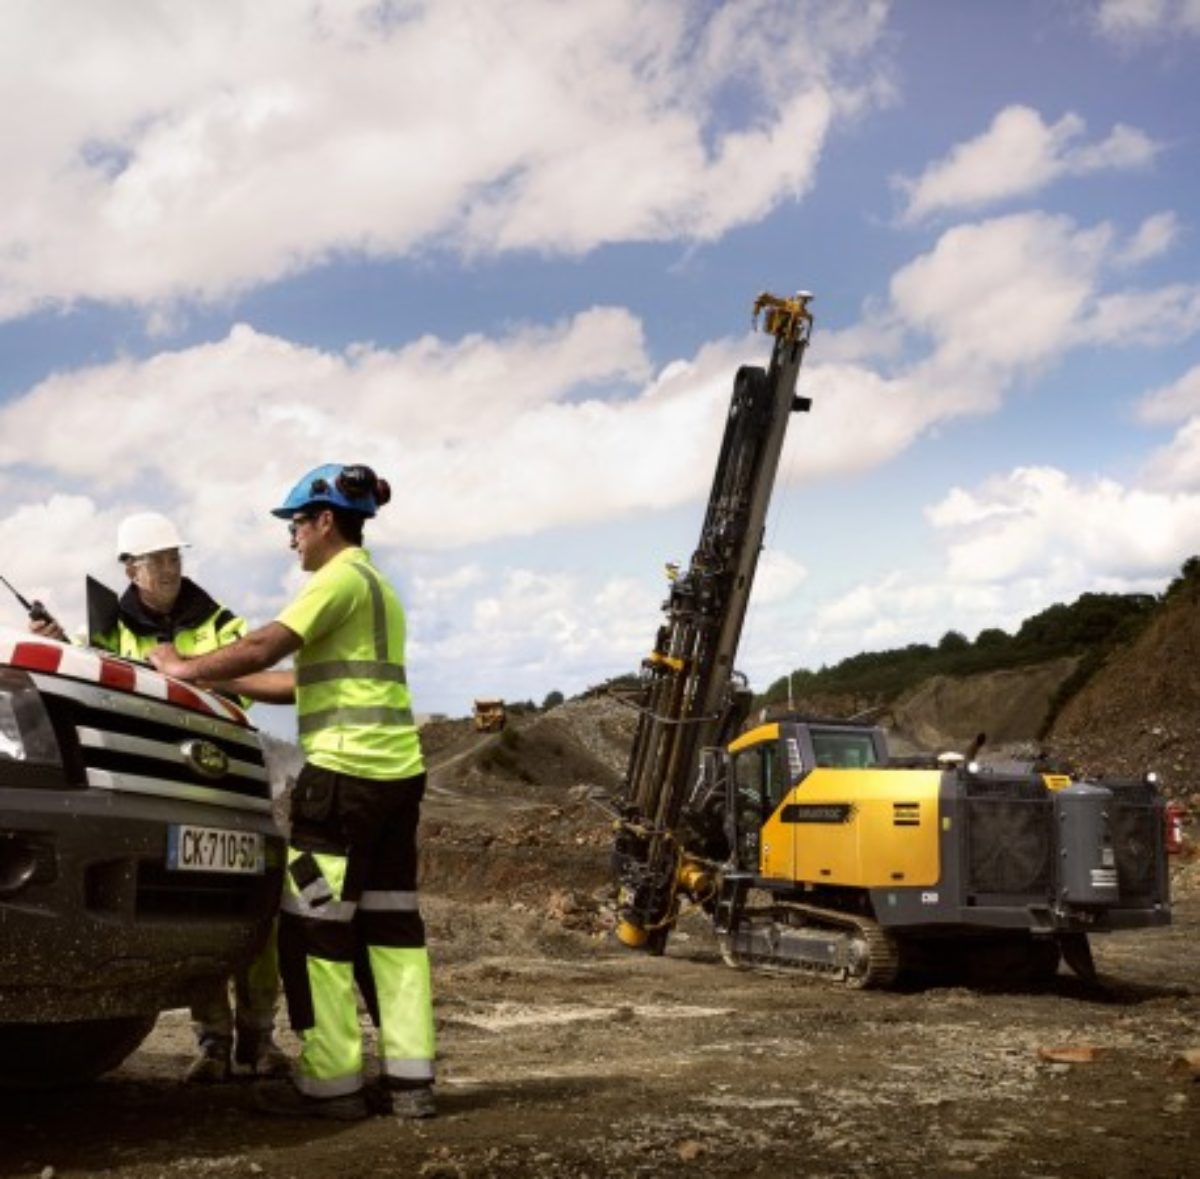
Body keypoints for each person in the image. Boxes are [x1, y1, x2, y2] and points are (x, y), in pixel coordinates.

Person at [148, 464, 436, 1122]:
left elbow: (263, 644)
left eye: (297, 525)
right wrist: (227, 688)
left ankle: (329, 1082)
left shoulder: (334, 580)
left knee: (311, 926)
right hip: (395, 780)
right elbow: (302, 681)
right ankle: (410, 1080)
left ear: (325, 520)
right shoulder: (376, 587)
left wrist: (182, 668)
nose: (293, 540)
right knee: (392, 931)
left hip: (341, 785)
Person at [31, 510, 289, 1084]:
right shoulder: (107, 632)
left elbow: (251, 683)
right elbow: (89, 677)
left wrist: (190, 671)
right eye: (158, 560)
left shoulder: (222, 621)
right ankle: (214, 1044)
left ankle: (261, 1040)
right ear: (130, 568)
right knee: (194, 910)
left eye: (175, 557)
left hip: (225, 786)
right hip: (161, 789)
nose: (171, 568)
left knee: (253, 920)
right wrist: (55, 643)